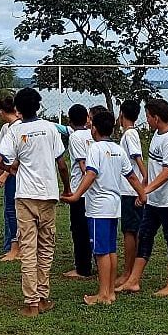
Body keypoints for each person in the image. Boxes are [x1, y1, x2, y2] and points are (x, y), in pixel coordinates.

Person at [0, 88, 71, 317]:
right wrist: (67, 188)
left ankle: (31, 303)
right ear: (38, 106)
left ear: (17, 109)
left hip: (25, 196)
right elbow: (61, 164)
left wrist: (9, 168)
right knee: (46, 247)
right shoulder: (50, 128)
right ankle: (43, 297)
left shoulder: (14, 131)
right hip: (48, 195)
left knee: (28, 248)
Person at [62, 110, 146, 305]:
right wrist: (142, 194)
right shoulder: (118, 149)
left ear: (95, 129)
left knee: (101, 252)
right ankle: (110, 292)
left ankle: (103, 294)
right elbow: (132, 177)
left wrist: (76, 195)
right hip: (114, 206)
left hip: (98, 207)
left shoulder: (95, 149)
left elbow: (90, 174)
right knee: (110, 249)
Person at [117, 98, 168, 297]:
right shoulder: (157, 134)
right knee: (145, 235)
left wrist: (144, 190)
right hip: (155, 199)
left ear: (156, 118)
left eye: (148, 116)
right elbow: (154, 168)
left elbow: (167, 172)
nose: (146, 119)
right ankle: (133, 281)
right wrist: (146, 187)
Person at [0, 96, 21, 262]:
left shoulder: (17, 128)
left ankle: (16, 248)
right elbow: (2, 153)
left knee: (13, 211)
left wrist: (6, 173)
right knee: (12, 211)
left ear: (0, 112)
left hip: (15, 175)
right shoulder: (10, 127)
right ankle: (15, 246)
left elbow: (18, 156)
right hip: (13, 173)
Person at [116, 99, 146, 287]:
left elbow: (137, 158)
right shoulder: (130, 134)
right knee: (132, 230)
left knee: (129, 231)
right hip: (130, 189)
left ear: (121, 114)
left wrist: (143, 182)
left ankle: (128, 273)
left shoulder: (129, 134)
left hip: (130, 190)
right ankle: (130, 271)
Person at [63, 104, 93, 279]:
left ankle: (82, 268)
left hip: (79, 190)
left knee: (79, 229)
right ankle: (94, 262)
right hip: (93, 190)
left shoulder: (75, 137)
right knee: (90, 228)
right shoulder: (92, 134)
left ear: (70, 120)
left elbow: (83, 165)